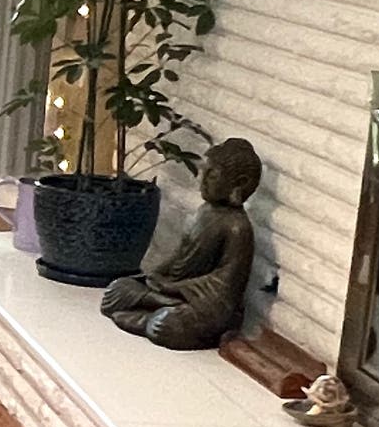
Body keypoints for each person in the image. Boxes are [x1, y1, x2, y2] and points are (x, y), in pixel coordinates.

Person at [100, 137, 261, 349]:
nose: (201, 180)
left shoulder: (237, 227)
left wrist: (175, 287)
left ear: (238, 183)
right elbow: (180, 255)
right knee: (117, 290)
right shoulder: (203, 213)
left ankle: (152, 316)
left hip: (203, 304)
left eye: (212, 175)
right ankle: (157, 305)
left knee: (164, 324)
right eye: (203, 172)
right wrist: (156, 276)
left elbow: (224, 284)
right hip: (174, 294)